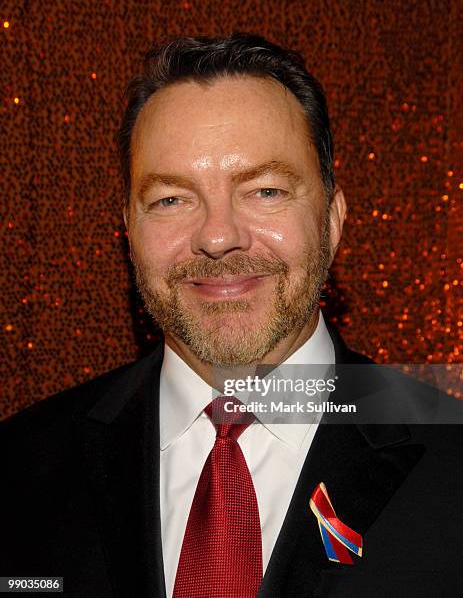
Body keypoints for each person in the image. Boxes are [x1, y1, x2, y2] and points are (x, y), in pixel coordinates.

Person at [1, 34, 462, 598]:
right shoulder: (19, 469)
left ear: (333, 221)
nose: (218, 237)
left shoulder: (451, 460)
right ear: (128, 230)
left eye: (265, 191)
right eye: (171, 199)